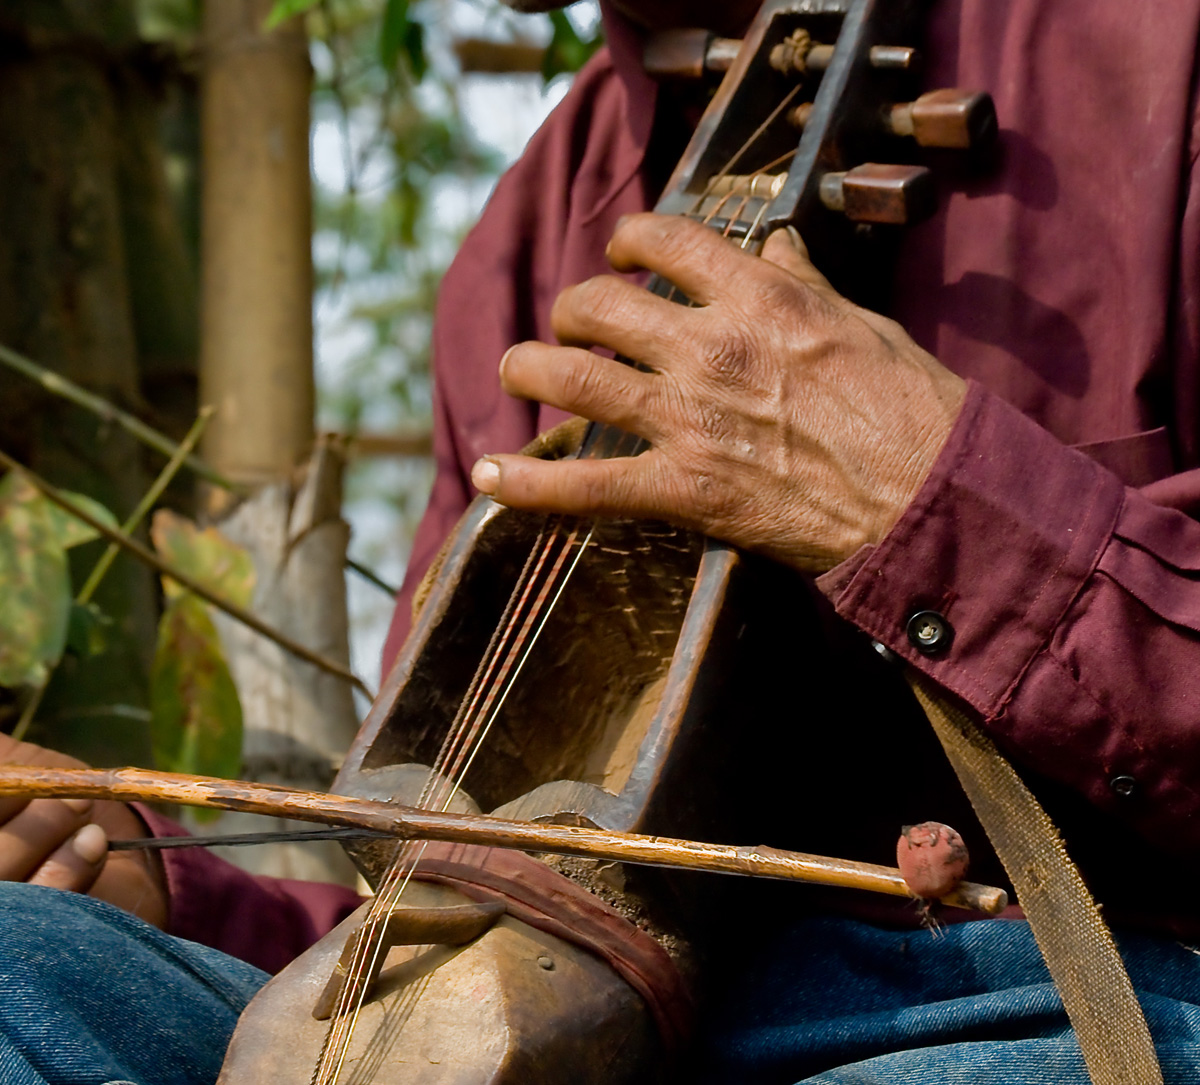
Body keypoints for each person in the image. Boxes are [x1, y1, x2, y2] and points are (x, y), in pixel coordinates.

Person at [5, 0, 1200, 1081]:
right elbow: (475, 954)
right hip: (604, 1025)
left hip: (1027, 1007)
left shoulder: (1158, 57)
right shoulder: (536, 218)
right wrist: (146, 880)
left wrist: (937, 508)